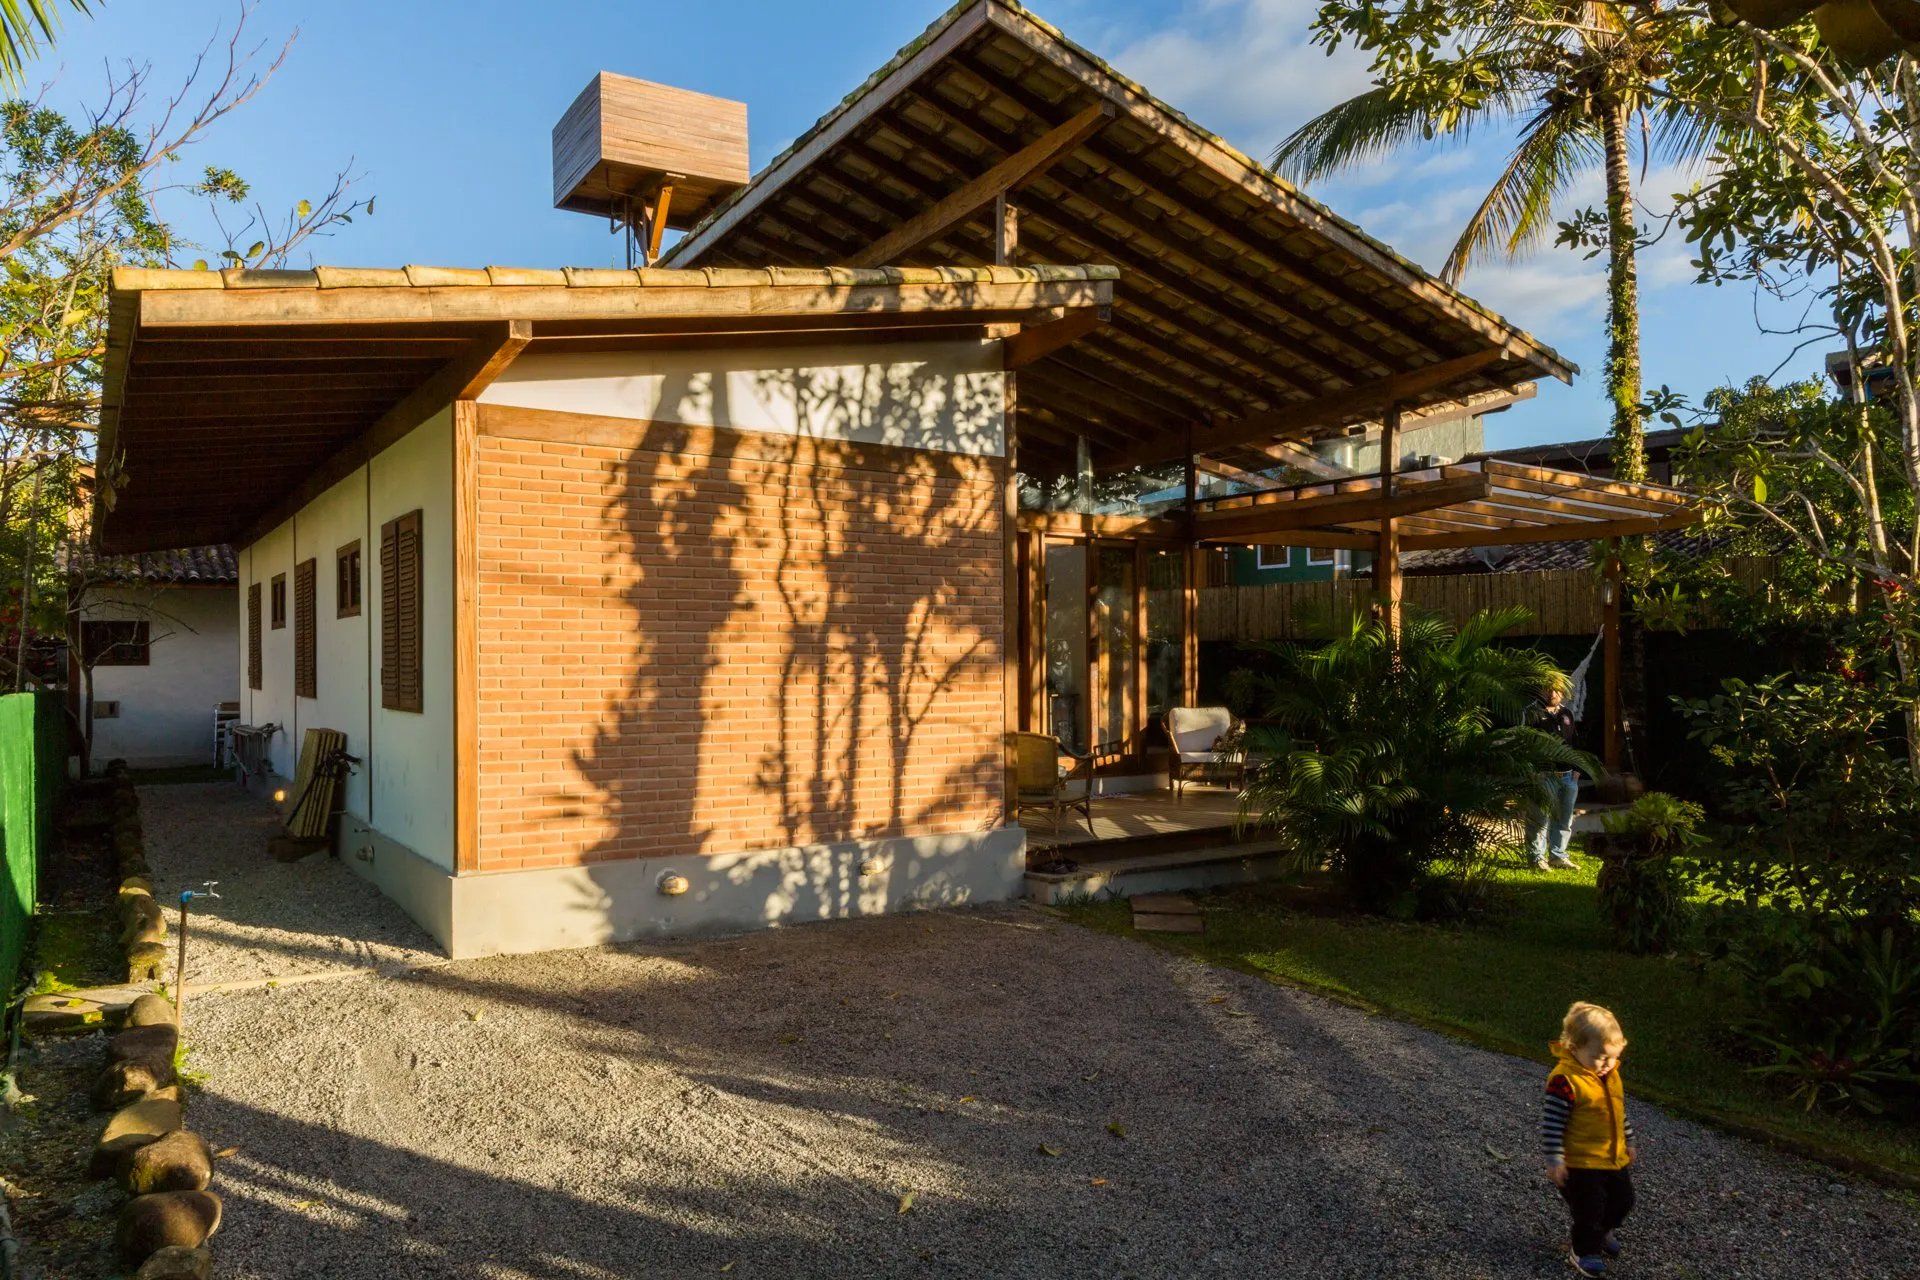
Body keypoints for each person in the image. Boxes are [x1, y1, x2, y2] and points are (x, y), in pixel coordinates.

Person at [1540, 1002, 1637, 1277]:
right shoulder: (1566, 1081)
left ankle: (1602, 1232)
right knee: (1589, 1209)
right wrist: (1555, 1159)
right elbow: (1552, 1124)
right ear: (1574, 1047)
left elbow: (1618, 1112)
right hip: (1581, 1161)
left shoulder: (1608, 1074)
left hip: (1612, 1156)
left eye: (1614, 1057)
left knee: (1623, 1200)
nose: (1608, 1064)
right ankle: (1584, 1250)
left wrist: (1628, 1139)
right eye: (1601, 1057)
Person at [1525, 682, 1580, 871]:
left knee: (1564, 819)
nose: (1552, 694)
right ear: (1542, 691)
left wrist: (1577, 769)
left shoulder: (1567, 714)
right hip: (1543, 775)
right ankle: (1536, 858)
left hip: (1568, 776)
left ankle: (1558, 855)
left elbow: (1574, 742)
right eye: (1548, 690)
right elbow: (1526, 743)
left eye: (1556, 690)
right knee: (1540, 818)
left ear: (1563, 692)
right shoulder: (1532, 713)